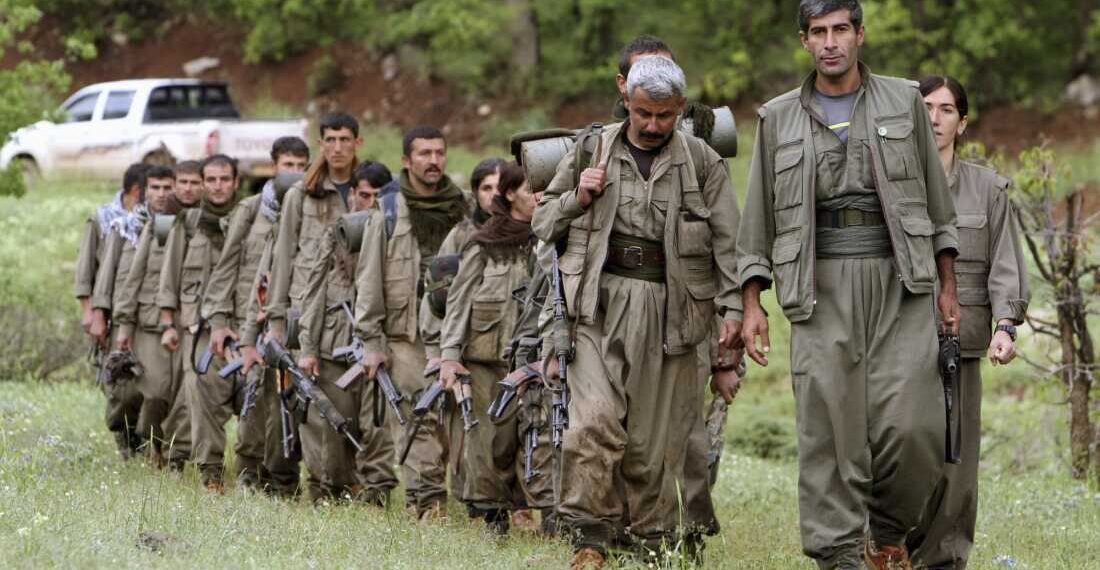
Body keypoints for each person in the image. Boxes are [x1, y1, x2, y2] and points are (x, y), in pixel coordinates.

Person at [737, 2, 961, 568]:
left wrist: (948, 284)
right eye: (819, 32)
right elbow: (757, 217)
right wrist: (751, 303)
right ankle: (839, 552)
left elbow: (938, 204)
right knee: (827, 427)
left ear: (860, 34)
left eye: (841, 29)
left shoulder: (903, 101)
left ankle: (887, 533)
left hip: (900, 280)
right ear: (805, 41)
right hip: (819, 284)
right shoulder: (777, 118)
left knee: (914, 425)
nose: (831, 42)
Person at [532, 55, 742, 568]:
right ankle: (589, 538)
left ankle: (653, 544)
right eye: (643, 113)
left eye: (664, 116)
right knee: (592, 425)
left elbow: (729, 247)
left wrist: (734, 316)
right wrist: (577, 198)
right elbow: (542, 223)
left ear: (680, 109)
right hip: (597, 308)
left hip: (673, 314)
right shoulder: (591, 149)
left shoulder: (703, 163)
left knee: (653, 448)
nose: (652, 125)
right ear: (626, 99)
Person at [906, 76, 1030, 570]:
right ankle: (889, 549)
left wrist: (1006, 326)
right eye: (925, 108)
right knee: (899, 452)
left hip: (962, 344)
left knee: (956, 466)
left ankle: (942, 561)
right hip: (895, 343)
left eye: (946, 110)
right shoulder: (890, 184)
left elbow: (1006, 265)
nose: (934, 118)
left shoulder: (988, 189)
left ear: (962, 122)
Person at [352, 125, 471, 520]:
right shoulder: (387, 211)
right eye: (424, 154)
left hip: (455, 331)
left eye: (439, 152)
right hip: (406, 335)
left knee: (453, 420)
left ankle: (461, 499)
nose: (433, 161)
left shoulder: (463, 207)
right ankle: (426, 501)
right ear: (406, 160)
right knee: (416, 415)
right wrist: (372, 342)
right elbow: (369, 279)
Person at [437, 162, 552, 533]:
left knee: (542, 435)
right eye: (531, 189)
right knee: (488, 439)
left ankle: (548, 515)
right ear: (510, 194)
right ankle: (489, 516)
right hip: (487, 360)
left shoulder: (553, 240)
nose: (539, 197)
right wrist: (450, 356)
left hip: (538, 361)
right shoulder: (484, 243)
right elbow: (458, 301)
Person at [201, 136, 309, 491]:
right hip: (249, 321)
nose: (294, 172)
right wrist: (220, 322)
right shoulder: (250, 211)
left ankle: (283, 478)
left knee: (285, 404)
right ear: (274, 166)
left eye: (301, 165)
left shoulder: (311, 209)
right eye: (287, 165)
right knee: (253, 400)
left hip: (291, 322)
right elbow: (226, 268)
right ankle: (249, 472)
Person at [264, 112, 361, 499]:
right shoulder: (301, 194)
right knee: (313, 402)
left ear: (357, 143)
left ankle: (350, 481)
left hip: (357, 311)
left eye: (344, 139)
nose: (337, 148)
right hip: (307, 314)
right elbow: (283, 257)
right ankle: (320, 487)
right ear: (321, 144)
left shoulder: (367, 188)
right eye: (330, 140)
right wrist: (276, 320)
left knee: (352, 405)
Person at [295, 166, 399, 504]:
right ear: (352, 195)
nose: (370, 203)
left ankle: (376, 494)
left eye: (378, 198)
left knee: (378, 427)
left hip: (380, 347)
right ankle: (326, 492)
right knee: (332, 426)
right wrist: (308, 347)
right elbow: (312, 292)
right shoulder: (334, 234)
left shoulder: (393, 233)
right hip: (335, 345)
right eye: (364, 195)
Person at [156, 154, 241, 491]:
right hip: (198, 325)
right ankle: (209, 471)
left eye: (225, 179)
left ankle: (256, 471)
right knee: (198, 393)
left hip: (242, 322)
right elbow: (170, 274)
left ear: (236, 182)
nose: (218, 186)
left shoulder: (248, 219)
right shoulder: (188, 222)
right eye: (212, 180)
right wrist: (168, 323)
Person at [114, 163, 204, 471]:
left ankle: (174, 457)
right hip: (152, 323)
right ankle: (152, 442)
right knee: (154, 393)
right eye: (183, 182)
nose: (188, 188)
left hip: (194, 322)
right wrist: (125, 325)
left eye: (195, 182)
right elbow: (136, 275)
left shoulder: (211, 222)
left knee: (186, 396)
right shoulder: (161, 223)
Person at [92, 166, 176, 465]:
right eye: (155, 187)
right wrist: (98, 314)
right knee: (122, 392)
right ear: (144, 191)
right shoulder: (123, 227)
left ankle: (156, 447)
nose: (161, 194)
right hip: (123, 318)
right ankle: (127, 441)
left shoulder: (173, 226)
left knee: (156, 391)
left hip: (155, 319)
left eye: (167, 187)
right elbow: (106, 274)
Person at [76, 162, 149, 459]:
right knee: (117, 378)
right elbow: (86, 269)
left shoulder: (147, 220)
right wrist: (91, 312)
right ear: (137, 191)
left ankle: (146, 440)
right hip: (107, 308)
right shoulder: (103, 219)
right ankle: (126, 442)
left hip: (139, 308)